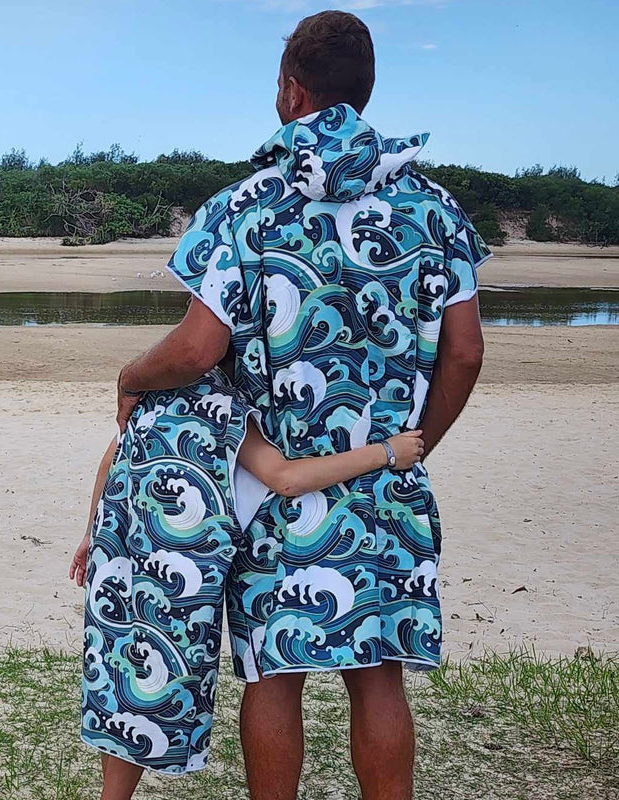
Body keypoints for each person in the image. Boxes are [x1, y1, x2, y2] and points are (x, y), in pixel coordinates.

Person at [107, 10, 489, 800]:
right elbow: (466, 352)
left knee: (273, 675)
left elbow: (196, 349)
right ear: (367, 89)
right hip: (387, 475)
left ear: (290, 89)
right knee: (379, 678)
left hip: (278, 486)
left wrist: (131, 376)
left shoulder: (245, 204)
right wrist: (414, 442)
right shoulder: (436, 208)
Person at [70, 362, 425, 798]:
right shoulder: (224, 405)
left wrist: (89, 535)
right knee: (159, 685)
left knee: (122, 682)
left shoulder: (151, 394)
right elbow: (286, 478)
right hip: (175, 578)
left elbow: (114, 453)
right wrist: (387, 452)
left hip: (120, 556)